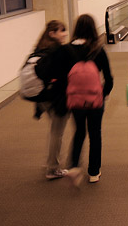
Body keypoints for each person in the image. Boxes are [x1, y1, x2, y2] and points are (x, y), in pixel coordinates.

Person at [39, 15, 113, 186]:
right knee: (95, 133)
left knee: (79, 131)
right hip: (95, 99)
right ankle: (94, 172)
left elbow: (55, 74)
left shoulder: (65, 50)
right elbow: (109, 78)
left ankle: (73, 166)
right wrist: (103, 94)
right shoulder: (98, 50)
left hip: (75, 99)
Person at [32, 20, 70, 180]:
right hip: (56, 97)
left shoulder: (40, 48)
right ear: (52, 33)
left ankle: (50, 161)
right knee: (57, 132)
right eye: (61, 31)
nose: (65, 34)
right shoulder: (56, 50)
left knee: (54, 130)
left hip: (43, 97)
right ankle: (53, 168)